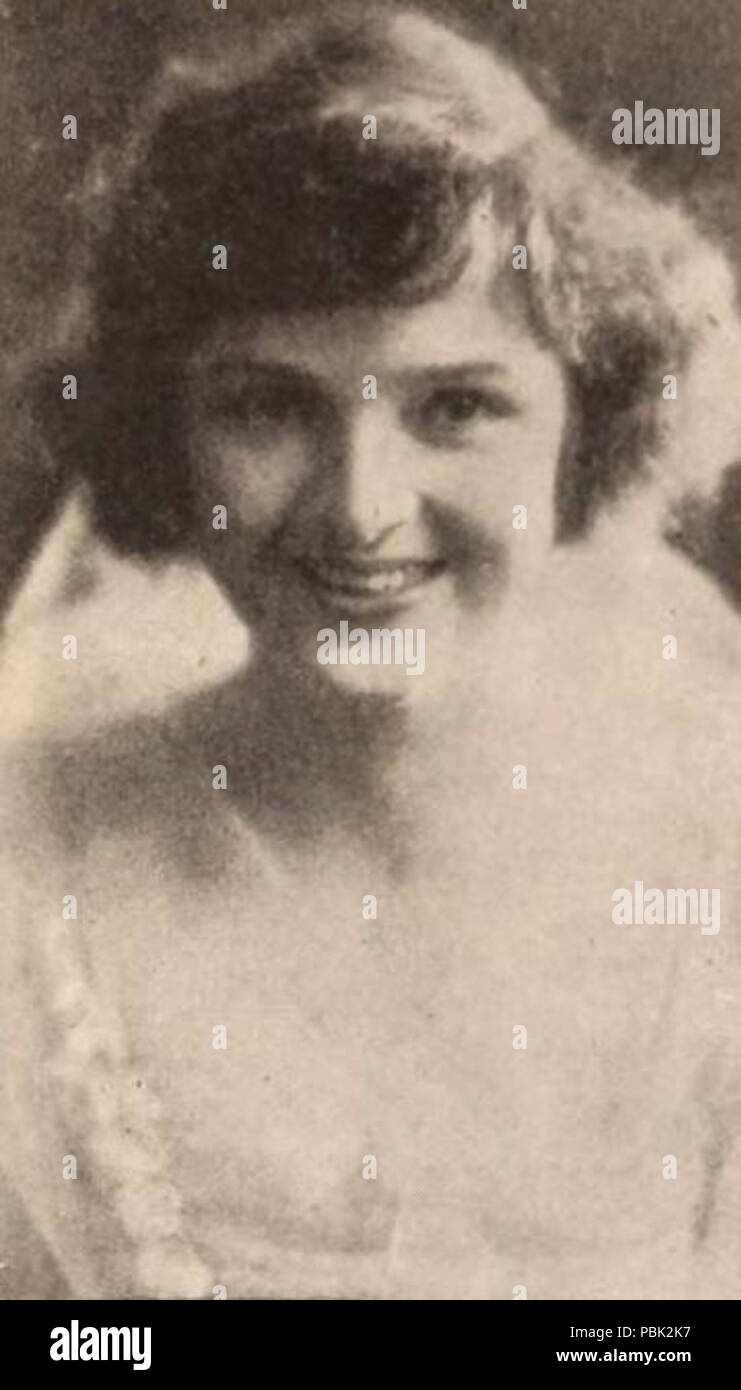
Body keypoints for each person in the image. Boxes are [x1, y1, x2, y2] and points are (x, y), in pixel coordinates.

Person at [1, 5, 740, 1301]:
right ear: (164, 433)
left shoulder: (710, 854)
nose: (362, 509)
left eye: (455, 406)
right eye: (268, 406)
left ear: (585, 426)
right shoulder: (38, 852)